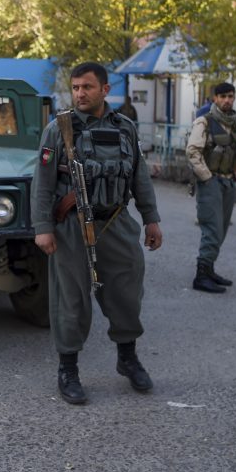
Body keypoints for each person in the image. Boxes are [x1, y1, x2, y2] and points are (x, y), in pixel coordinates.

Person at [31, 62, 163, 405]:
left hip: (116, 221)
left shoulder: (126, 128)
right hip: (72, 224)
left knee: (126, 291)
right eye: (75, 87)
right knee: (71, 298)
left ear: (105, 90)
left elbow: (139, 177)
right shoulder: (59, 128)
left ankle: (127, 357)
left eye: (87, 87)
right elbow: (42, 183)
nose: (80, 94)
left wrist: (151, 218)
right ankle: (69, 369)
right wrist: (43, 228)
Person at [186, 82, 236, 293]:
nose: (227, 100)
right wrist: (207, 178)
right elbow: (192, 151)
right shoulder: (205, 121)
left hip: (227, 181)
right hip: (211, 181)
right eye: (223, 96)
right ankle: (201, 276)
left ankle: (209, 270)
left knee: (222, 229)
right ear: (215, 98)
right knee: (212, 229)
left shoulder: (231, 122)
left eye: (230, 96)